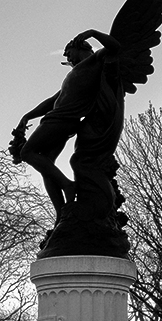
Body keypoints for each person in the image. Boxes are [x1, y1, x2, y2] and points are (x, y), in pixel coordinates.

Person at [16, 29, 120, 222]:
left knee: (27, 152)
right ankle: (61, 214)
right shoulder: (75, 73)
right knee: (47, 164)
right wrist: (27, 116)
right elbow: (52, 101)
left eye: (68, 52)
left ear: (79, 47)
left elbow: (115, 47)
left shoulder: (94, 62)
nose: (67, 58)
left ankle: (67, 185)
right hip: (60, 120)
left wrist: (92, 33)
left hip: (62, 120)